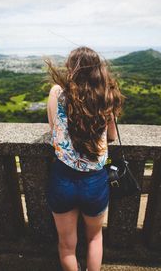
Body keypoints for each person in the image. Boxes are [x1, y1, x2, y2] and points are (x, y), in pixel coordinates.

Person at [45, 46, 124, 271]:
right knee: (94, 238)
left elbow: (54, 129)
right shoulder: (105, 97)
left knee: (67, 246)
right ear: (97, 70)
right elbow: (111, 136)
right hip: (94, 181)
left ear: (71, 69)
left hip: (62, 178)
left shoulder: (57, 92)